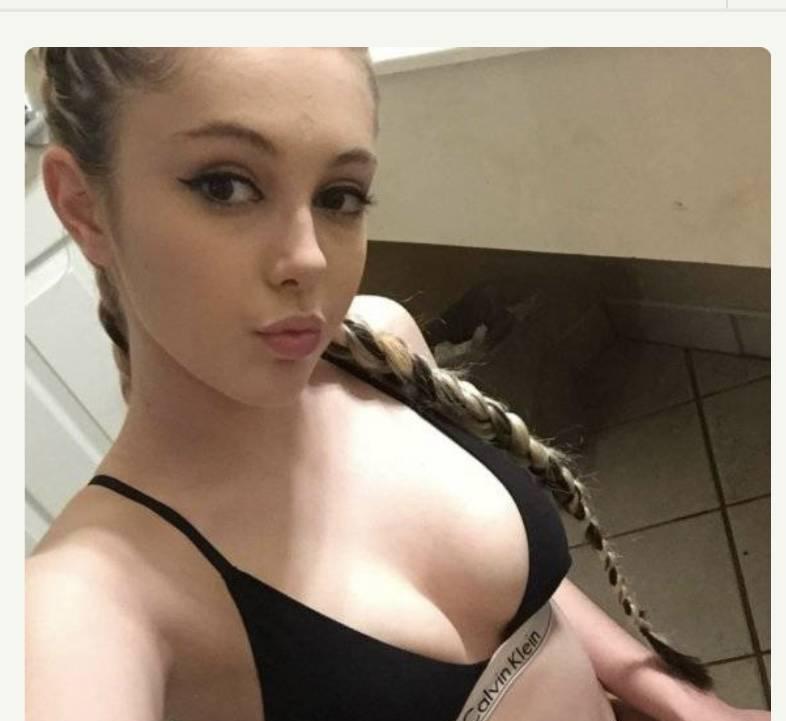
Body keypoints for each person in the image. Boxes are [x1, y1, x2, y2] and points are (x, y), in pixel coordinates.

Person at [25, 47, 769, 721]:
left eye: (340, 195)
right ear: (84, 208)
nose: (309, 259)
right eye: (226, 185)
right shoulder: (87, 596)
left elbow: (517, 599)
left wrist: (681, 699)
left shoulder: (380, 344)